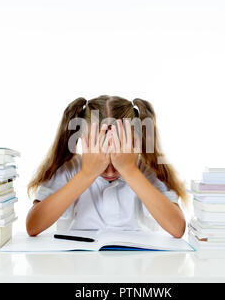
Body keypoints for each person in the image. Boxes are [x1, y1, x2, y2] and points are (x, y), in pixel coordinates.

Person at [26, 95, 187, 238]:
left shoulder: (146, 171)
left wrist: (129, 171)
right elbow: (33, 226)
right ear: (84, 142)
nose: (109, 170)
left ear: (135, 143)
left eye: (118, 155)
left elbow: (177, 228)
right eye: (100, 154)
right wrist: (87, 173)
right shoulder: (70, 169)